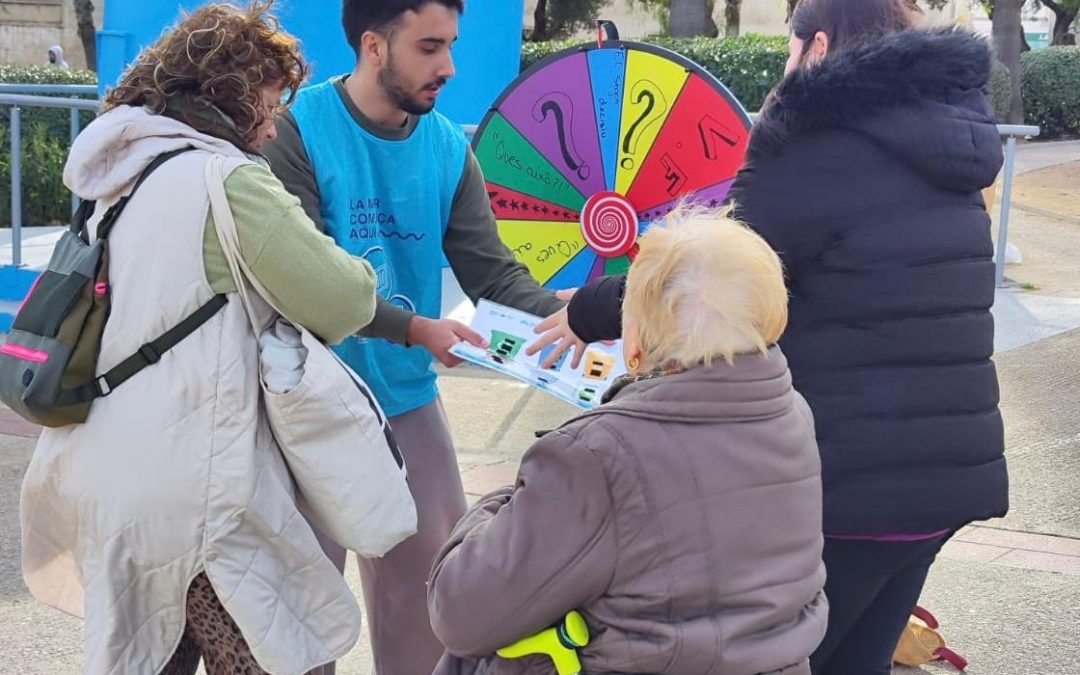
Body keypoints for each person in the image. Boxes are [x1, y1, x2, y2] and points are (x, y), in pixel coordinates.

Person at [532, 1, 1009, 673]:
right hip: (947, 475)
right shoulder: (947, 138)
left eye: (789, 51)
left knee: (787, 658)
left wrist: (593, 309)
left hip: (846, 482)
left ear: (816, 49)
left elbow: (721, 266)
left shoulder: (816, 140)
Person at [20, 4, 383, 673]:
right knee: (288, 658)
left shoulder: (115, 172)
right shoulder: (227, 181)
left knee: (153, 655)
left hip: (110, 473)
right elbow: (346, 298)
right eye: (269, 104)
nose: (273, 125)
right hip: (200, 488)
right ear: (229, 96)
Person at [262, 2, 564, 673]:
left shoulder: (447, 149)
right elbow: (304, 279)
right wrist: (415, 328)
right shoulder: (297, 131)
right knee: (294, 624)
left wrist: (577, 318)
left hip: (404, 399)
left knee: (439, 602)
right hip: (302, 404)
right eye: (430, 47)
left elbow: (495, 276)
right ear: (374, 44)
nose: (448, 67)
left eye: (451, 45)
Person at [427, 206, 828, 675]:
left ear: (633, 340)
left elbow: (459, 611)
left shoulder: (598, 456)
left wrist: (505, 499)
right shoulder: (790, 412)